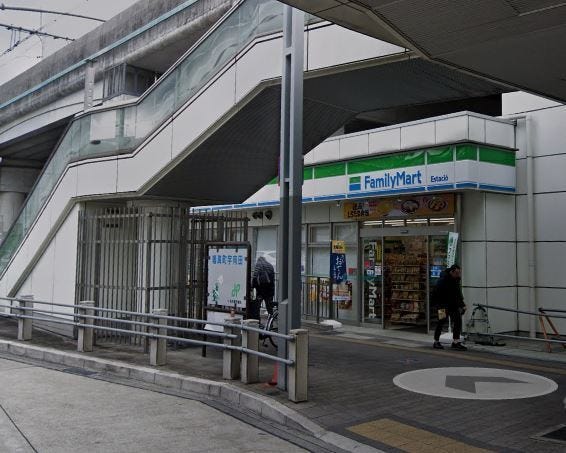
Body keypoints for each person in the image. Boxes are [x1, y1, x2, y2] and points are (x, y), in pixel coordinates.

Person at [432, 264, 467, 350]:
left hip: (453, 305)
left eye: (459, 273)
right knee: (441, 322)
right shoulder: (442, 280)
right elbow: (436, 292)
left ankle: (456, 342)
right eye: (456, 273)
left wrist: (462, 305)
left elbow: (458, 294)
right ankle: (436, 341)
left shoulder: (456, 280)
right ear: (451, 272)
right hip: (442, 306)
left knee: (458, 321)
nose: (458, 274)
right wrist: (437, 304)